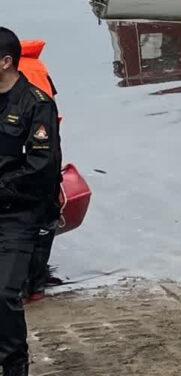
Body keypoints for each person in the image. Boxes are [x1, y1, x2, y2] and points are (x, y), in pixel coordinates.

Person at [0, 28, 62, 376]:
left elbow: (41, 167)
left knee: (5, 294)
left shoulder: (36, 105)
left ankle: (15, 366)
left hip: (17, 214)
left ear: (5, 62)